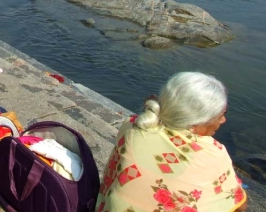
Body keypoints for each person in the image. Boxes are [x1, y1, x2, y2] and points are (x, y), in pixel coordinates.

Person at [96, 72, 247, 212]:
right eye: (222, 114)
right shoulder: (211, 153)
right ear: (196, 122)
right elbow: (238, 204)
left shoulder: (133, 125)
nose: (223, 120)